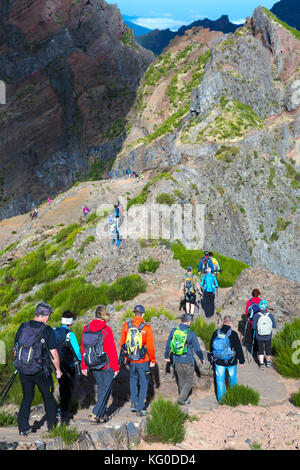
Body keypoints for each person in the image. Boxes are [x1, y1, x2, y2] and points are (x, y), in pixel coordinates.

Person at [13, 302, 62, 437]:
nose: (49, 319)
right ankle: (52, 428)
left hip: (24, 370)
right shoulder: (47, 330)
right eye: (49, 316)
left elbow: (15, 350)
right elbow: (53, 353)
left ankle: (23, 428)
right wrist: (58, 370)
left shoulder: (23, 326)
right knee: (48, 397)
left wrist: (21, 364)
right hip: (41, 371)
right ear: (44, 315)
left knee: (27, 397)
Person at [81, 305, 119, 423]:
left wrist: (84, 365)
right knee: (106, 389)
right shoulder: (106, 330)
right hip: (106, 365)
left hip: (92, 363)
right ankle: (95, 413)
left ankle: (101, 416)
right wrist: (116, 367)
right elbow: (111, 350)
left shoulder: (85, 328)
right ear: (105, 315)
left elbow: (83, 348)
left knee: (103, 389)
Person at [120, 305, 156, 416]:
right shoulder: (147, 328)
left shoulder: (126, 326)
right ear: (143, 314)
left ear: (133, 314)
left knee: (133, 380)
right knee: (144, 382)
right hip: (143, 361)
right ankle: (140, 408)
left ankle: (133, 404)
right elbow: (150, 346)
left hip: (131, 360)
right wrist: (153, 359)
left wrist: (125, 357)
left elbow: (123, 344)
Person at [164, 313, 204, 405]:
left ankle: (184, 399)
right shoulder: (191, 333)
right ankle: (181, 399)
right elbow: (197, 348)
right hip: (188, 360)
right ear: (188, 322)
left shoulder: (174, 331)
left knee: (181, 379)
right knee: (189, 381)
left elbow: (168, 344)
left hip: (177, 360)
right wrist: (201, 358)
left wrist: (166, 356)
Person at [210, 315, 245, 402]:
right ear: (230, 322)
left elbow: (211, 346)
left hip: (218, 361)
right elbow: (238, 348)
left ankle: (221, 399)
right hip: (231, 361)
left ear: (223, 322)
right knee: (232, 378)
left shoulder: (216, 333)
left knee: (220, 380)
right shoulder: (233, 334)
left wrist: (212, 355)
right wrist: (241, 360)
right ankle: (234, 397)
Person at [53, 311, 81, 420]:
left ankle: (60, 409)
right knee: (68, 389)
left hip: (56, 365)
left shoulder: (54, 331)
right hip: (67, 365)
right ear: (70, 323)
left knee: (62, 387)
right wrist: (81, 362)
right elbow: (77, 352)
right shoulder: (70, 334)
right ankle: (64, 411)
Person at [251, 300, 276, 370]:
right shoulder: (270, 315)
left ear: (259, 306)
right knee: (268, 349)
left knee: (260, 349)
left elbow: (253, 327)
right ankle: (268, 362)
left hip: (259, 335)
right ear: (266, 306)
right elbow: (274, 326)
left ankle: (261, 364)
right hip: (268, 335)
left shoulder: (256, 315)